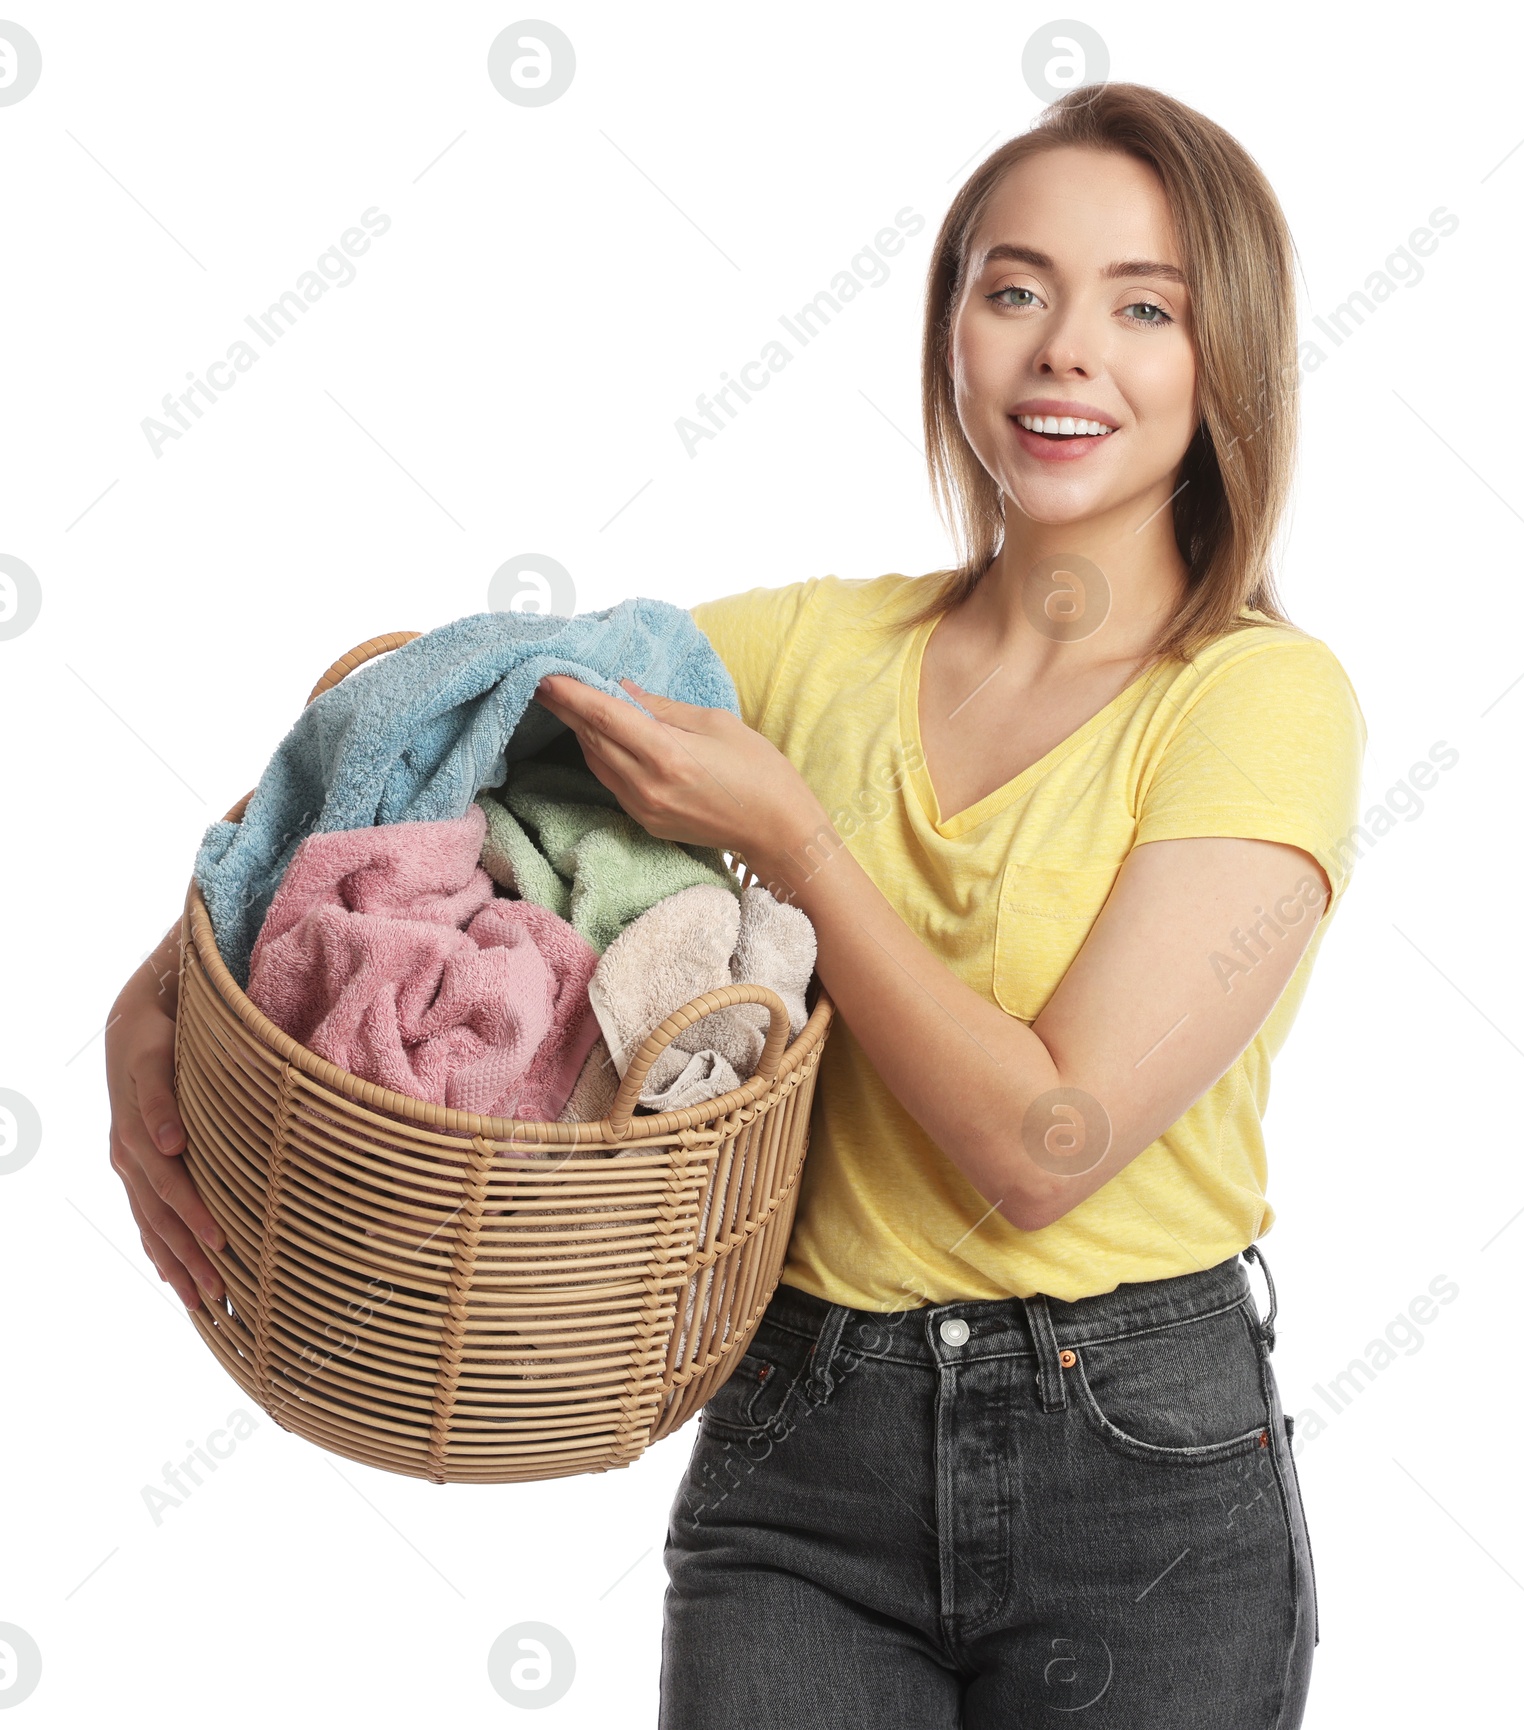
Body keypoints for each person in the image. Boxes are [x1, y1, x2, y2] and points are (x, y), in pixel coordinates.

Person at [105, 80, 1363, 1729]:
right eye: (1014, 288)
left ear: (1230, 361)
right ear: (951, 336)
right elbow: (435, 725)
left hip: (1138, 1467)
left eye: (1145, 306)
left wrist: (805, 847)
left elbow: (1046, 1145)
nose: (1066, 349)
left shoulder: (1260, 702)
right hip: (802, 1450)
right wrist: (154, 998)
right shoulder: (806, 656)